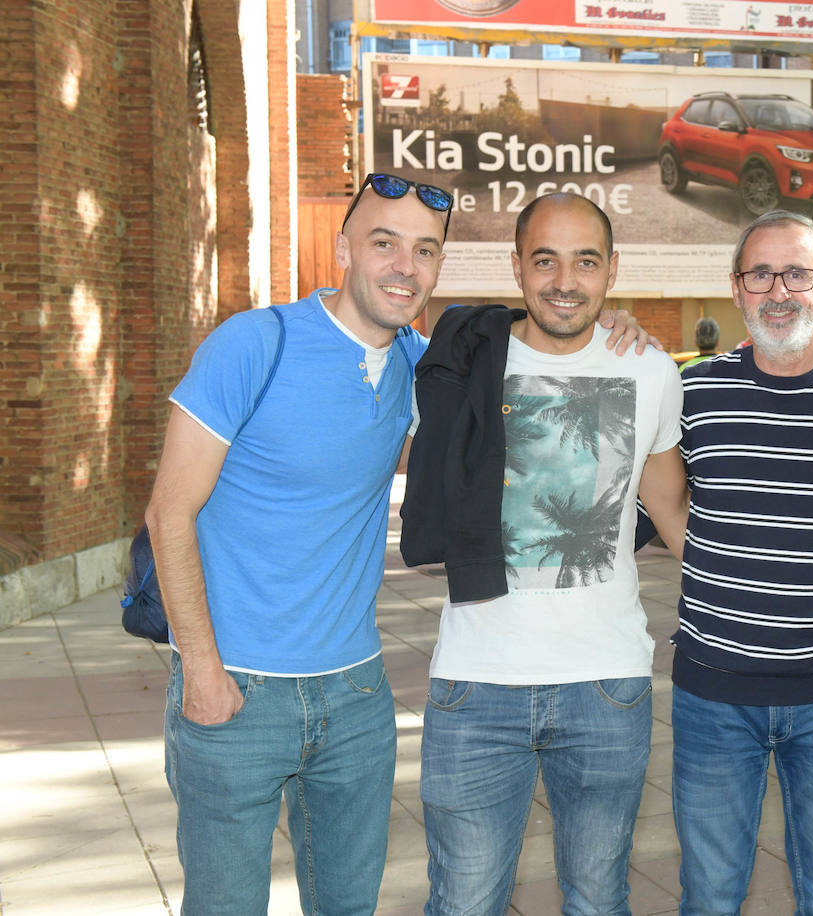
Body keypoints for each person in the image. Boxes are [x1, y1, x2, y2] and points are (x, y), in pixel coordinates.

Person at [145, 174, 651, 915]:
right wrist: (202, 671)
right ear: (344, 248)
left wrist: (613, 328)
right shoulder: (256, 344)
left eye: (425, 251)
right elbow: (168, 514)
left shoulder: (426, 366)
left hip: (355, 697)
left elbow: (542, 344)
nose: (404, 268)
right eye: (384, 244)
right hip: (236, 688)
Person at [414, 193, 688, 916]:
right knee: (464, 902)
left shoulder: (654, 374)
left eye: (585, 261)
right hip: (475, 684)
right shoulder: (458, 363)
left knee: (598, 900)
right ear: (516, 267)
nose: (565, 280)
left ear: (612, 271)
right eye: (545, 260)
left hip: (606, 683)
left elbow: (672, 512)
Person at [671, 211, 813, 915]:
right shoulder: (693, 394)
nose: (779, 289)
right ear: (736, 289)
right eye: (761, 273)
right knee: (710, 899)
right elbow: (665, 509)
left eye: (797, 272)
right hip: (712, 694)